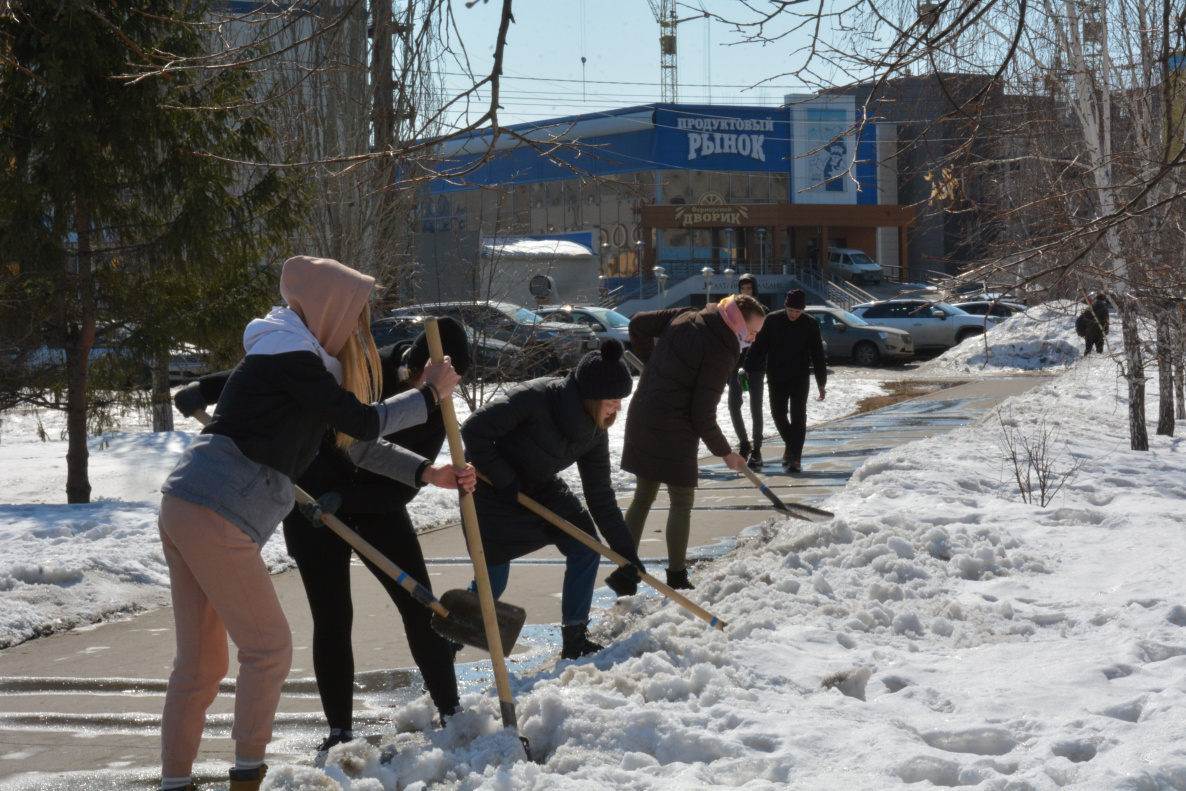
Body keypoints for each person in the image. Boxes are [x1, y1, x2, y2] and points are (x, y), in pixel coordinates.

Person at [157, 256, 475, 791]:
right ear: (327, 309)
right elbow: (364, 419)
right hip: (217, 512)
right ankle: (246, 778)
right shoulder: (291, 356)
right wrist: (428, 394)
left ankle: (175, 782)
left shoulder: (293, 358)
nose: (355, 329)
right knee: (269, 648)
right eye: (351, 315)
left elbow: (358, 443)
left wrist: (427, 472)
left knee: (201, 663)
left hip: (187, 502)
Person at [461, 339, 645, 660]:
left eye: (620, 400)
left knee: (586, 546)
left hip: (538, 485)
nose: (618, 408)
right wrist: (504, 479)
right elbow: (474, 429)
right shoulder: (535, 399)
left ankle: (575, 638)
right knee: (492, 584)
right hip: (489, 488)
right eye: (612, 400)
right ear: (591, 397)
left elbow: (600, 494)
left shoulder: (594, 431)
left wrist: (627, 554)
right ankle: (445, 648)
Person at [621, 294, 766, 590]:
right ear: (736, 323)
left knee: (643, 494)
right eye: (751, 332)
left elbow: (637, 324)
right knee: (682, 500)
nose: (752, 339)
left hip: (645, 411)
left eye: (756, 335)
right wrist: (726, 453)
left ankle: (624, 566)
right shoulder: (722, 352)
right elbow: (702, 414)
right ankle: (676, 577)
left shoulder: (687, 314)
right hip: (675, 425)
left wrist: (651, 365)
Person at [746, 289, 827, 474]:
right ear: (785, 306)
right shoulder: (773, 320)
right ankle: (791, 445)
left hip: (799, 377)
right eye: (791, 310)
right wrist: (748, 367)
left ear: (803, 311)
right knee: (778, 414)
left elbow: (817, 354)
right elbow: (758, 346)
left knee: (799, 417)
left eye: (797, 312)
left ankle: (795, 458)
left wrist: (821, 382)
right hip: (776, 375)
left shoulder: (810, 324)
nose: (793, 315)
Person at [727, 273, 768, 469]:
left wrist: (749, 367)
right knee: (734, 405)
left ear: (754, 289)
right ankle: (744, 442)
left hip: (756, 368)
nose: (745, 292)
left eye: (749, 288)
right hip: (736, 368)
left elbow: (760, 345)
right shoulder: (734, 315)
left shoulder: (762, 312)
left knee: (755, 408)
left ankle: (757, 449)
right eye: (742, 289)